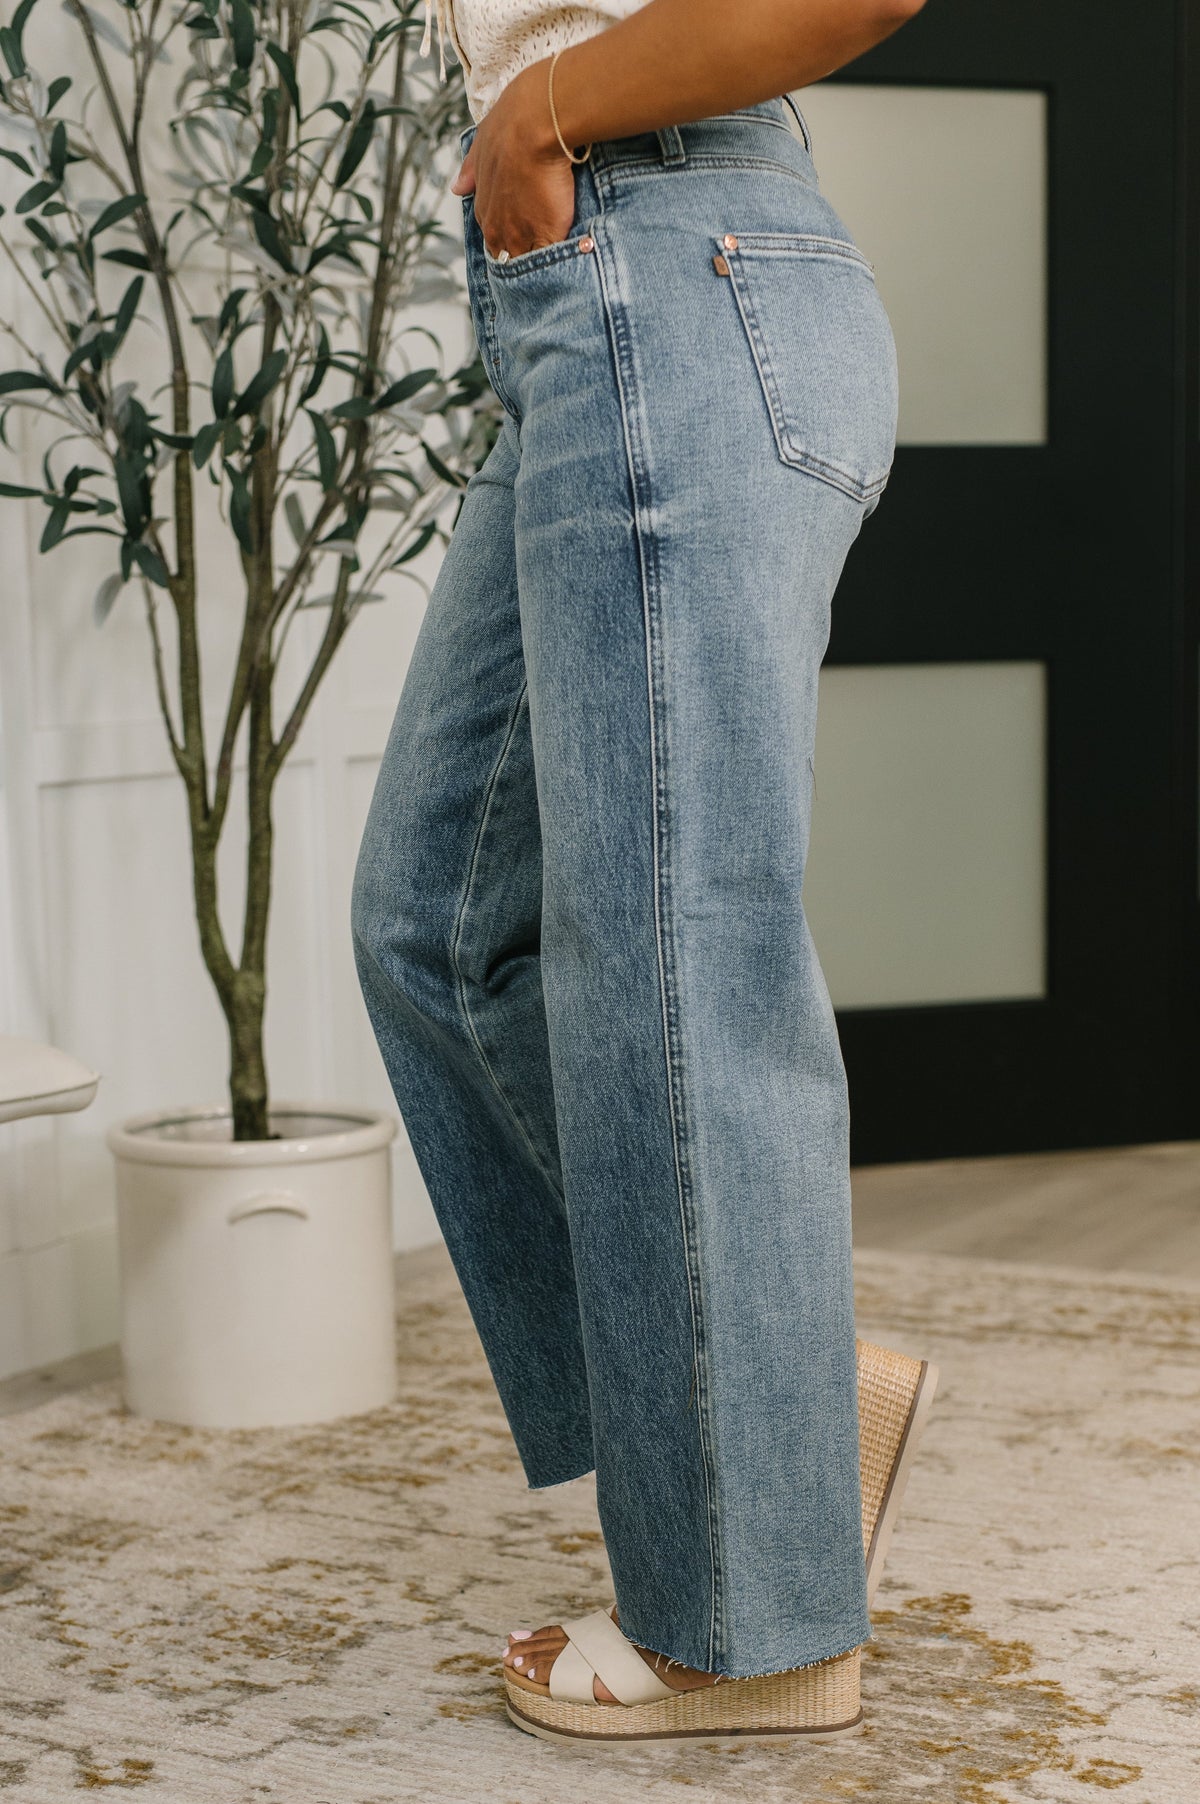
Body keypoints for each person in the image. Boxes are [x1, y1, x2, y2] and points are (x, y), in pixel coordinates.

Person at [351, 0, 934, 1748]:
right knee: (436, 930)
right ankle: (776, 1406)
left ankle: (749, 1633)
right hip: (591, 303)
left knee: (678, 956)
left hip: (672, 257)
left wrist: (545, 105)